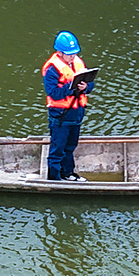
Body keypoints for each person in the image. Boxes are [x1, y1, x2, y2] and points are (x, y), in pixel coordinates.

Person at [42, 31, 91, 182]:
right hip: (60, 115)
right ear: (59, 52)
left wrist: (85, 87)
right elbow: (54, 93)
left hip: (76, 114)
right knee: (58, 148)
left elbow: (90, 84)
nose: (72, 56)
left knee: (70, 146)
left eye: (74, 53)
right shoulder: (52, 70)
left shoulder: (78, 62)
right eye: (69, 53)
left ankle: (68, 173)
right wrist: (71, 87)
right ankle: (54, 178)